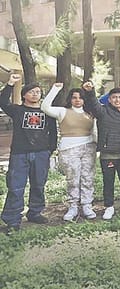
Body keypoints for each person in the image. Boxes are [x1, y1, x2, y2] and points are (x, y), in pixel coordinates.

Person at [0, 74, 57, 234]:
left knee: (39, 185)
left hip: (41, 153)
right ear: (24, 95)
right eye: (31, 92)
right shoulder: (17, 110)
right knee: (16, 187)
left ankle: (35, 212)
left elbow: (53, 132)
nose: (35, 94)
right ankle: (12, 220)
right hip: (20, 154)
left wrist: (49, 150)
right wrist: (10, 83)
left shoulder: (47, 111)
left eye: (38, 92)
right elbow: (3, 101)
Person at [41, 85, 97, 221]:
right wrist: (55, 89)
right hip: (69, 149)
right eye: (74, 98)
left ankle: (86, 205)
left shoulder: (90, 113)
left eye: (80, 98)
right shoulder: (62, 111)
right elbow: (45, 107)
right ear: (70, 99)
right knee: (73, 178)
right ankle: (73, 206)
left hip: (89, 147)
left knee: (87, 178)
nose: (77, 100)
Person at [82, 82, 120, 220]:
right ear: (109, 99)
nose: (117, 100)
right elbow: (93, 104)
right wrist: (90, 92)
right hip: (108, 154)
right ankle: (109, 206)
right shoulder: (103, 111)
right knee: (108, 181)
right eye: (114, 97)